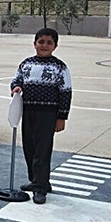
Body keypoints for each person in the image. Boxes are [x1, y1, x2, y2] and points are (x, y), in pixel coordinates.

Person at [11, 28, 72, 205]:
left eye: (49, 42)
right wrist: (15, 88)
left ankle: (40, 188)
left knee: (42, 150)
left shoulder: (59, 67)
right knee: (29, 147)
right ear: (35, 43)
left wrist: (62, 116)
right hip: (28, 111)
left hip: (48, 114)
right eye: (41, 42)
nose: (44, 45)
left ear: (55, 46)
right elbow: (17, 80)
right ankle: (37, 180)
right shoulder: (26, 63)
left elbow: (66, 92)